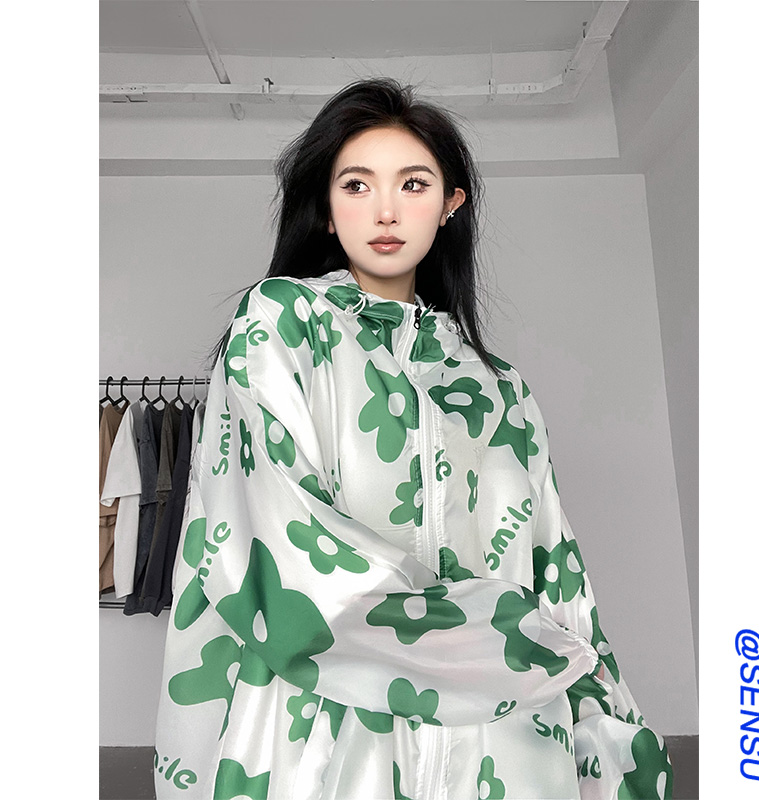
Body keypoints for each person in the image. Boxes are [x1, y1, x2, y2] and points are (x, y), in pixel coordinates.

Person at [155, 77, 673, 800]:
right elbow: (271, 547)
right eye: (356, 185)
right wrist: (495, 643)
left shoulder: (501, 390)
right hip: (328, 734)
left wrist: (604, 722)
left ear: (450, 203)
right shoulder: (280, 325)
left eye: (414, 184)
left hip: (501, 745)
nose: (386, 210)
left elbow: (557, 574)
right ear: (326, 210)